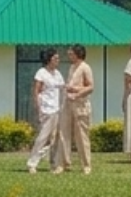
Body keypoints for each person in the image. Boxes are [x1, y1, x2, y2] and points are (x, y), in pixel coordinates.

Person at [56, 43, 95, 174]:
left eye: (71, 53)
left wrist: (77, 92)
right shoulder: (72, 67)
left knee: (82, 136)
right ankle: (63, 163)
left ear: (78, 54)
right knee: (64, 133)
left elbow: (90, 87)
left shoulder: (85, 68)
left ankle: (86, 165)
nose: (69, 56)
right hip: (68, 103)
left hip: (80, 105)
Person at [26, 49, 65, 174]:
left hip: (57, 109)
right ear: (49, 60)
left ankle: (54, 163)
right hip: (46, 109)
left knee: (55, 138)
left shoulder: (57, 73)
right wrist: (38, 107)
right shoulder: (41, 73)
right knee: (43, 137)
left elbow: (63, 87)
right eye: (55, 58)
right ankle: (32, 163)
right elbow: (36, 90)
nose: (58, 61)